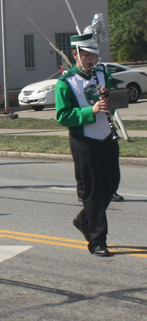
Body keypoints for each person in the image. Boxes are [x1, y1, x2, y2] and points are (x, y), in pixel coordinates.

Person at [55, 32, 120, 257]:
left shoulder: (102, 73)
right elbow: (63, 115)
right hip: (84, 141)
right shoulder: (66, 82)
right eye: (88, 55)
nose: (93, 59)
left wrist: (110, 99)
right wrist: (90, 111)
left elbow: (114, 101)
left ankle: (85, 219)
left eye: (95, 54)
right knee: (92, 190)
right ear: (76, 55)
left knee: (111, 184)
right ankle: (97, 240)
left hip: (105, 136)